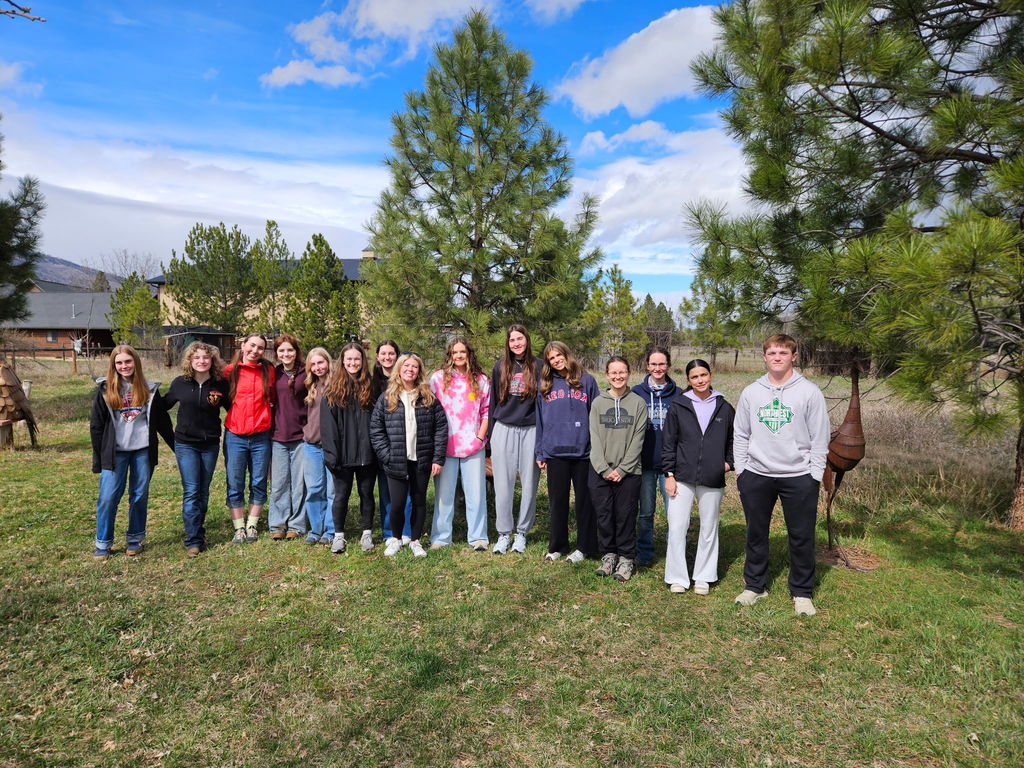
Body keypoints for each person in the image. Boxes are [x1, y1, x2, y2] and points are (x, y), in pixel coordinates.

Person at [733, 334, 830, 616]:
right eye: (772, 353)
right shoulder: (752, 392)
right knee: (756, 533)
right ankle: (755, 586)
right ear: (764, 357)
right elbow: (740, 434)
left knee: (801, 536)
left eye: (783, 353)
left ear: (794, 357)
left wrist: (814, 475)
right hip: (757, 474)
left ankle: (802, 592)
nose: (777, 357)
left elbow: (820, 437)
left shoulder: (809, 392)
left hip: (798, 475)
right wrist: (742, 471)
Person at [89, 344, 174, 560]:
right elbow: (96, 426)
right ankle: (103, 542)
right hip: (115, 453)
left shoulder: (149, 388)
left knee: (138, 495)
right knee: (108, 497)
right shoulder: (105, 390)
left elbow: (163, 422)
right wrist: (99, 458)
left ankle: (135, 539)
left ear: (135, 362)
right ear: (113, 365)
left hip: (142, 452)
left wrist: (177, 448)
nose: (124, 366)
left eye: (128, 361)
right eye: (119, 362)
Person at [661, 359, 734, 594]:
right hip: (681, 476)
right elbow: (668, 443)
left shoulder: (724, 407)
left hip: (712, 477)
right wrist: (669, 474)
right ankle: (677, 577)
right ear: (688, 380)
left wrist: (727, 464)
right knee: (677, 526)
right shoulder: (678, 405)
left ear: (710, 375)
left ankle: (703, 576)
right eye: (695, 377)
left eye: (703, 375)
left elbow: (734, 439)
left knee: (709, 526)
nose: (700, 380)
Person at [369, 353, 448, 557]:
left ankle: (414, 540)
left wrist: (437, 458)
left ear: (419, 371)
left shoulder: (428, 397)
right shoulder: (388, 397)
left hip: (420, 459)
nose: (410, 370)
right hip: (396, 460)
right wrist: (386, 454)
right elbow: (376, 428)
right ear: (399, 369)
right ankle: (395, 538)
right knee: (397, 503)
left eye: (414, 367)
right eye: (406, 366)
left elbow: (440, 428)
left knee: (419, 501)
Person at [535, 340, 599, 563]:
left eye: (559, 355)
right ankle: (558, 545)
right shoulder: (545, 383)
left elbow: (596, 416)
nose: (556, 360)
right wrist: (540, 452)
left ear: (566, 354)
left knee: (584, 502)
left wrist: (597, 449)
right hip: (555, 452)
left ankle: (585, 546)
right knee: (558, 502)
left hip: (583, 452)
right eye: (551, 358)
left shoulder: (587, 380)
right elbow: (540, 420)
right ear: (548, 363)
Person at [163, 341, 229, 557]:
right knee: (192, 491)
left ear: (212, 361)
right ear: (190, 361)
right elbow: (162, 406)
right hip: (186, 444)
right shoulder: (180, 383)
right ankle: (193, 540)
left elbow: (234, 408)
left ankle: (198, 531)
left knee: (203, 490)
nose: (201, 361)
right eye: (197, 357)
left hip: (209, 444)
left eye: (206, 358)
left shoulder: (220, 385)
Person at [588, 356, 647, 582]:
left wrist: (622, 470)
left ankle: (626, 559)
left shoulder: (638, 403)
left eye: (622, 372)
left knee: (625, 516)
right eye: (613, 372)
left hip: (629, 472)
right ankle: (609, 555)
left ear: (629, 373)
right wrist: (604, 469)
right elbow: (594, 438)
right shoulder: (598, 403)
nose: (618, 376)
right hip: (600, 470)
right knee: (604, 515)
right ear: (607, 375)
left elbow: (637, 440)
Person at [428, 337, 490, 550]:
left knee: (476, 494)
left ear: (469, 353)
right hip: (446, 446)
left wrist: (480, 437)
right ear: (449, 355)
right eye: (455, 352)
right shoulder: (437, 379)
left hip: (473, 446)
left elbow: (486, 413)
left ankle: (478, 537)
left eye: (462, 351)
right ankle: (441, 537)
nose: (459, 356)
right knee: (444, 496)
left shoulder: (481, 380)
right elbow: (429, 411)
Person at [488, 324, 542, 554]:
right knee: (503, 485)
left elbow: (544, 402)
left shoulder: (539, 365)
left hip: (530, 429)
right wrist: (491, 437)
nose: (516, 343)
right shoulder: (500, 367)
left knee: (529, 484)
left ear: (527, 340)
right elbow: (491, 402)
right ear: (507, 343)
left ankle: (521, 533)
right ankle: (503, 533)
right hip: (504, 428)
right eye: (512, 340)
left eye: (520, 339)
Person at [321, 342, 379, 553]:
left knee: (366, 493)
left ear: (362, 361)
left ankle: (366, 533)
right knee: (341, 495)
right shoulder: (333, 390)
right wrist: (331, 454)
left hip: (367, 454)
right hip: (342, 456)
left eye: (357, 359)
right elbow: (327, 427)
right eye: (349, 359)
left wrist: (376, 449)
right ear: (342, 362)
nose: (353, 363)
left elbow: (377, 420)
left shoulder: (371, 387)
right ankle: (339, 536)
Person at [223, 333, 275, 544]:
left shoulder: (268, 372)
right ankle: (239, 528)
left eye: (260, 348)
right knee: (235, 482)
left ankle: (252, 524)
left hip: (261, 435)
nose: (255, 350)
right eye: (252, 345)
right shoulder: (229, 371)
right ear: (243, 346)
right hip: (235, 435)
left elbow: (274, 398)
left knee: (258, 481)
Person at [631, 346, 679, 567]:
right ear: (647, 366)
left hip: (671, 466)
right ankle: (645, 552)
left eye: (662, 364)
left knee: (675, 513)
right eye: (654, 364)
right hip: (645, 463)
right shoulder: (636, 393)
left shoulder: (679, 395)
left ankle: (674, 552)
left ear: (668, 365)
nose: (658, 368)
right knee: (646, 512)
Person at [269, 334, 309, 542]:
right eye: (281, 351)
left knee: (299, 483)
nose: (286, 354)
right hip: (278, 434)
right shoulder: (273, 373)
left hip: (301, 435)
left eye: (290, 350)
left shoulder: (306, 372)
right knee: (279, 483)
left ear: (296, 351)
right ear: (277, 353)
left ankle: (296, 524)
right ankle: (277, 524)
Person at [371, 339, 412, 543]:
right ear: (378, 357)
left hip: (407, 444)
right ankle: (389, 533)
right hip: (383, 446)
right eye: (383, 354)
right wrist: (383, 449)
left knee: (408, 492)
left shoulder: (406, 378)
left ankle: (406, 531)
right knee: (387, 491)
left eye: (391, 354)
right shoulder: (371, 381)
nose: (387, 357)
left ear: (397, 356)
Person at [301, 347, 336, 549]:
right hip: (312, 445)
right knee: (314, 489)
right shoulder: (309, 386)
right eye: (313, 364)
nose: (317, 367)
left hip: (332, 446)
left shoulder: (337, 385)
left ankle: (330, 530)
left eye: (320, 363)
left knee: (332, 490)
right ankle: (316, 529)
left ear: (328, 362)